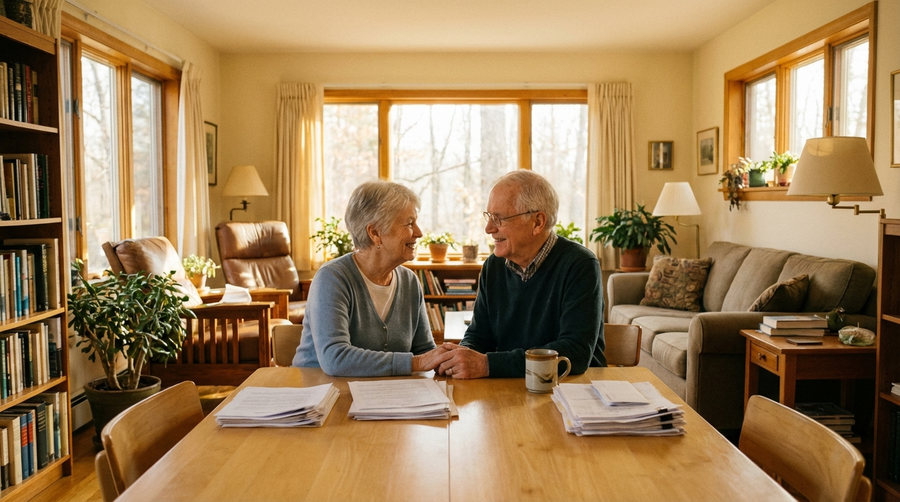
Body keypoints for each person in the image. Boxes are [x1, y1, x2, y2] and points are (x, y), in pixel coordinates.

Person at [433, 170, 605, 379]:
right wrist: (461, 357)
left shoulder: (580, 264)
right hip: (511, 386)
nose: (488, 228)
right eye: (489, 217)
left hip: (571, 387)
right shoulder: (493, 266)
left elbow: (575, 353)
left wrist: (487, 365)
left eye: (499, 218)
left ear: (537, 222)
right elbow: (479, 336)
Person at [293, 181, 447, 376]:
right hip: (318, 389)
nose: (419, 232)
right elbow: (335, 358)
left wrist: (445, 360)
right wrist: (417, 363)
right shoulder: (332, 278)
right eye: (409, 223)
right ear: (375, 233)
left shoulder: (409, 282)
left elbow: (424, 351)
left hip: (381, 392)